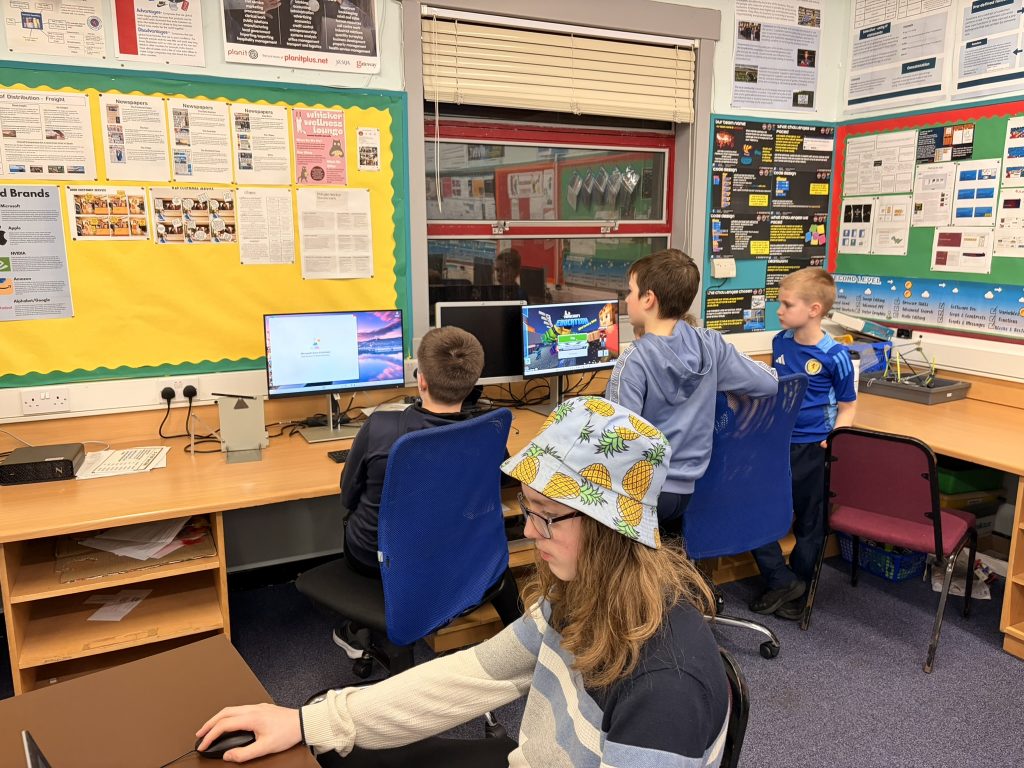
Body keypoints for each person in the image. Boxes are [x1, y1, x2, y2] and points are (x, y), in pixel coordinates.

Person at [196, 396, 730, 766]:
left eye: (546, 516)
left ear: (610, 530)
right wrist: (308, 723)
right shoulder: (584, 592)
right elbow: (478, 673)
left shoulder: (667, 691)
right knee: (332, 735)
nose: (529, 530)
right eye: (528, 508)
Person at [605, 248, 778, 538]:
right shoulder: (710, 344)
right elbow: (769, 383)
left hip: (646, 493)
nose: (626, 299)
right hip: (690, 491)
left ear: (648, 299)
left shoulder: (633, 360)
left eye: (630, 291)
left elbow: (617, 443)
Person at [749, 267, 857, 621]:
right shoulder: (780, 342)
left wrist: (835, 437)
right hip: (778, 445)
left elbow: (848, 406)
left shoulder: (835, 355)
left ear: (814, 310)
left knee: (810, 525)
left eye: (787, 304)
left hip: (814, 449)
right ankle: (781, 580)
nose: (779, 310)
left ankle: (802, 587)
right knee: (756, 512)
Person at [340, 326, 485, 578]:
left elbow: (348, 497)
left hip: (374, 559)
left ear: (421, 380)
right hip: (450, 552)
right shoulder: (486, 431)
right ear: (474, 382)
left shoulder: (379, 427)